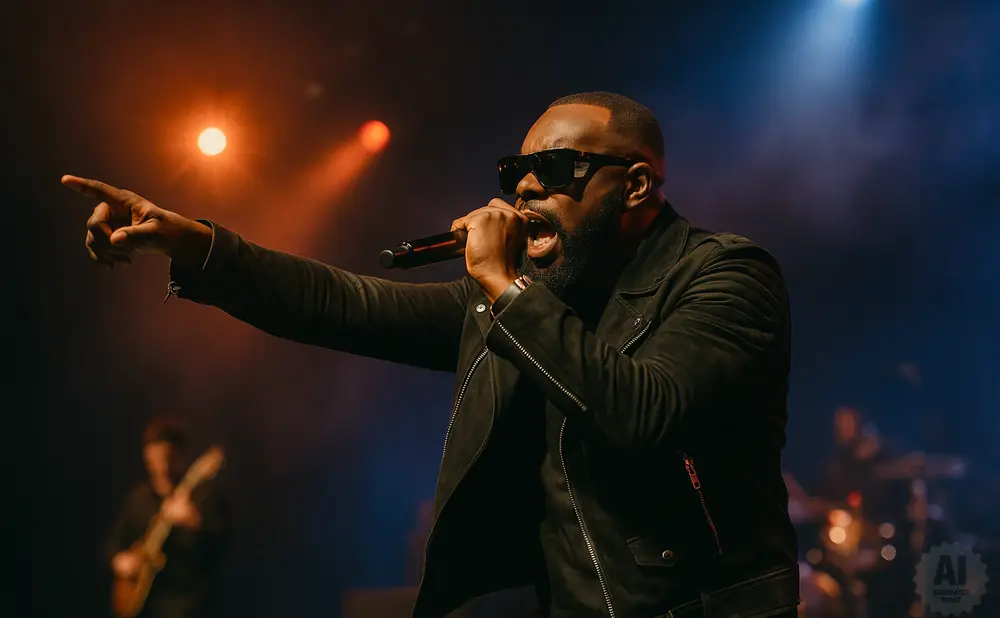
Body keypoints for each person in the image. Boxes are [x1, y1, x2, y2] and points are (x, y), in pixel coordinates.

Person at [69, 91, 797, 618]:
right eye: (517, 172)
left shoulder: (724, 275)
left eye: (556, 167)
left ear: (635, 184)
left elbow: (645, 410)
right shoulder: (521, 298)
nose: (527, 187)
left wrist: (505, 285)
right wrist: (193, 242)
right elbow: (343, 304)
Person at [106, 419, 229, 618]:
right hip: (144, 608)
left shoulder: (204, 498)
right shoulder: (137, 499)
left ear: (181, 457)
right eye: (156, 460)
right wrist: (121, 561)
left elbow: (223, 547)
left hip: (189, 608)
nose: (162, 467)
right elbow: (113, 545)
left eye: (168, 459)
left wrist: (194, 522)